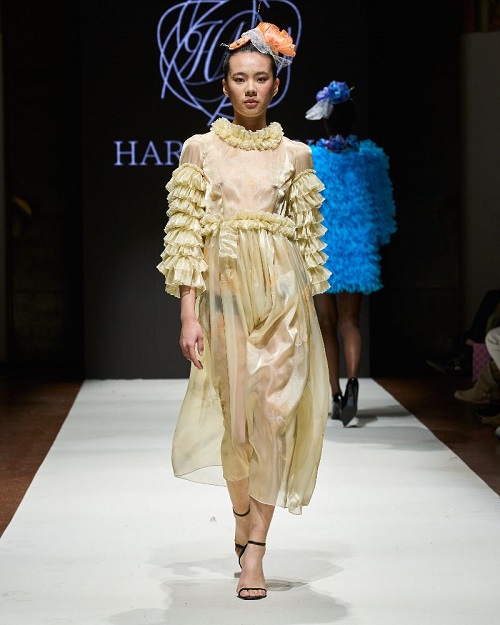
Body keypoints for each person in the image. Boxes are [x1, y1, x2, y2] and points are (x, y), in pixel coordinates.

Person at [156, 21, 331, 601]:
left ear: (276, 85)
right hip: (225, 297)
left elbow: (307, 242)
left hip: (283, 300)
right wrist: (188, 313)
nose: (250, 88)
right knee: (237, 424)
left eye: (260, 78)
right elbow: (186, 235)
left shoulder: (297, 155)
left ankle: (255, 550)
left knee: (275, 417)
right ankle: (240, 517)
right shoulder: (200, 149)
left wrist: (309, 316)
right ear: (226, 85)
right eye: (240, 79)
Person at [304, 80, 397, 425]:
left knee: (326, 323)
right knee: (350, 321)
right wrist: (378, 238)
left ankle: (335, 395)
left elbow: (303, 209)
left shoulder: (311, 159)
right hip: (357, 247)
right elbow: (384, 206)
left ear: (326, 123)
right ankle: (354, 383)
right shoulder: (371, 158)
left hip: (322, 247)